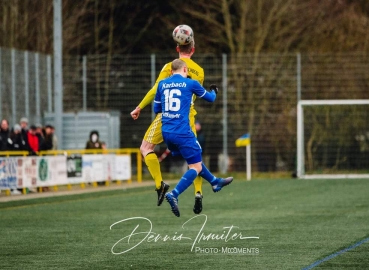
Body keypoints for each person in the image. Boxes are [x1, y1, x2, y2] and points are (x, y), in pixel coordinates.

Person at [130, 25, 206, 214]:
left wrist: (139, 107)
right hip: (187, 118)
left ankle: (159, 184)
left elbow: (155, 90)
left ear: (177, 48)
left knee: (146, 148)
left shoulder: (169, 68)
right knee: (194, 160)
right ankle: (198, 193)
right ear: (193, 49)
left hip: (166, 117)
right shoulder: (200, 72)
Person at [154, 59, 233, 217]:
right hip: (183, 132)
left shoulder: (162, 84)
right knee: (195, 167)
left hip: (167, 133)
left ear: (171, 71)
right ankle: (174, 194)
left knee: (195, 159)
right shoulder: (191, 83)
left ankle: (215, 182)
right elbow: (210, 98)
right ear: (185, 70)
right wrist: (215, 91)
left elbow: (157, 108)